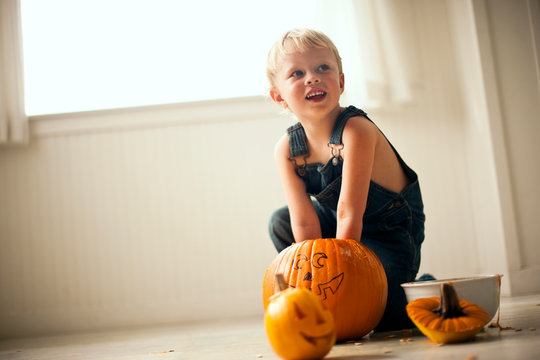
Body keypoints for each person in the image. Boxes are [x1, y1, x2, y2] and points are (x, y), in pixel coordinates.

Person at [266, 28, 427, 331]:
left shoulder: (356, 131)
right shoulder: (287, 150)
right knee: (281, 220)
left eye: (322, 68)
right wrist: (318, 281)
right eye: (297, 73)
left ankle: (423, 289)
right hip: (337, 226)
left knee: (383, 318)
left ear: (340, 82)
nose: (312, 77)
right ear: (279, 97)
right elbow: (304, 224)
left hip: (388, 230)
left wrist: (346, 280)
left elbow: (349, 211)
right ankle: (309, 297)